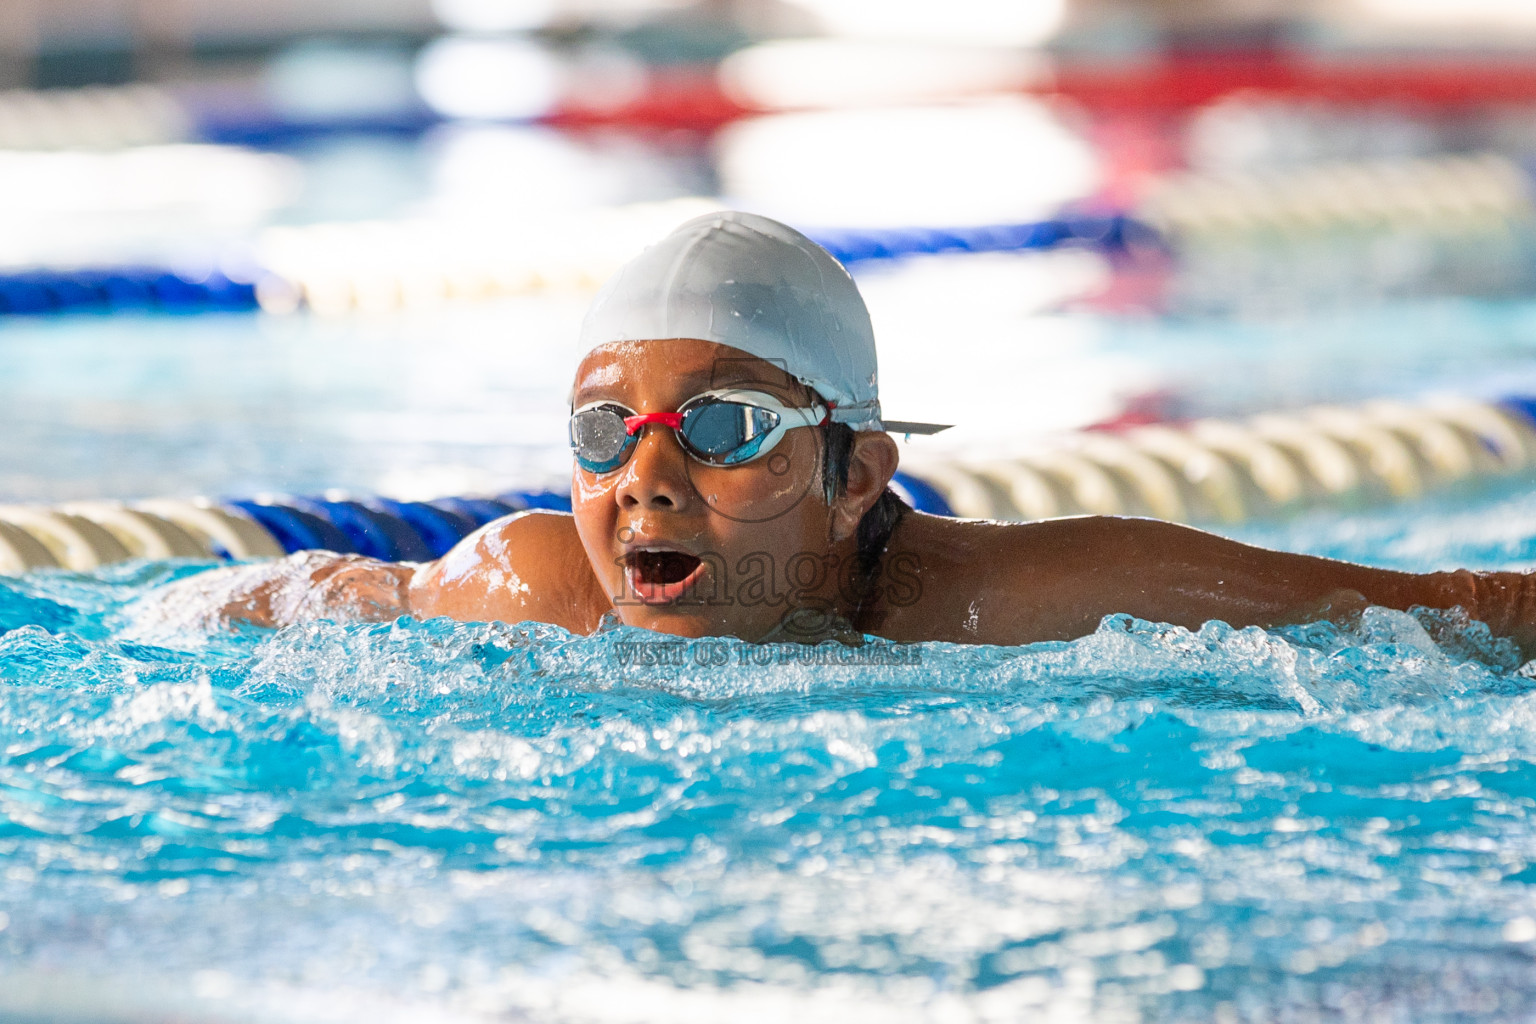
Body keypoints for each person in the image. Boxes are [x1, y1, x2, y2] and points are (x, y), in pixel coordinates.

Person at [167, 211, 1536, 657]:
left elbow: (1443, 612)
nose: (643, 485)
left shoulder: (1011, 599)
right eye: (606, 432)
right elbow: (276, 596)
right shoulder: (535, 587)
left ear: (856, 473)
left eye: (720, 428)